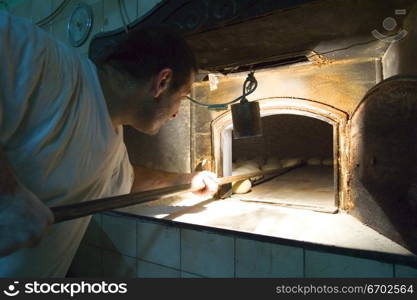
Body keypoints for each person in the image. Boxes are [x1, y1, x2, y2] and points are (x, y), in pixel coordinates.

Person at [0, 11, 219, 277]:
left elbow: (128, 179)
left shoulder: (112, 145)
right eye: (182, 97)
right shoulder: (49, 64)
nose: (175, 113)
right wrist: (7, 194)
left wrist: (186, 180)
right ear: (162, 82)